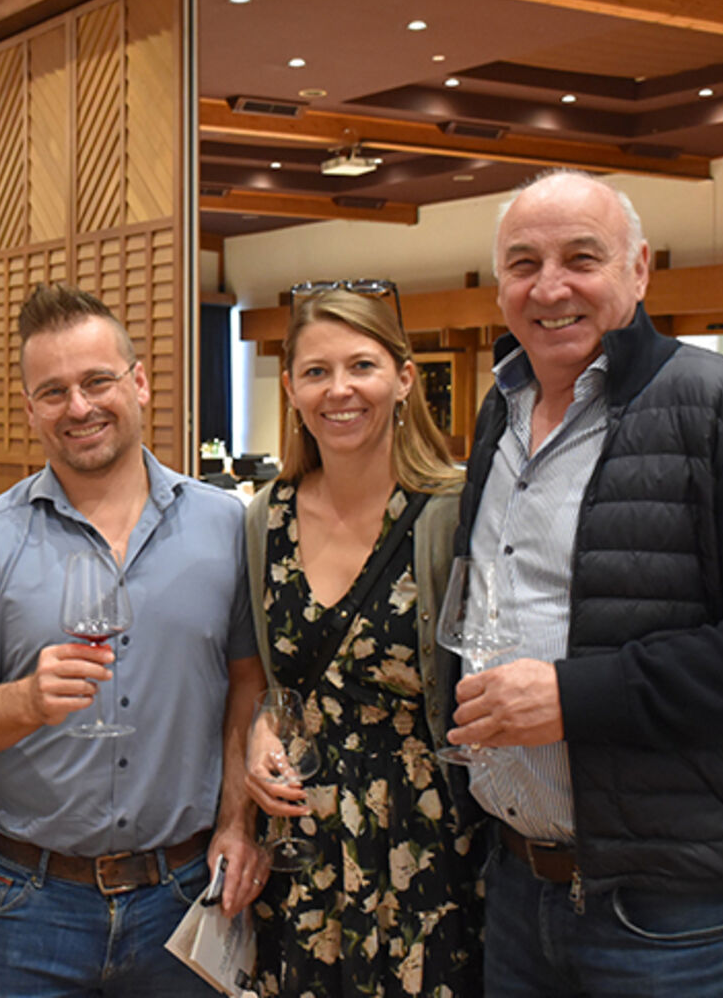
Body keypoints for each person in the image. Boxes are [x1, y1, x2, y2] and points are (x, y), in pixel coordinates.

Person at [448, 169, 723, 997]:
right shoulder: (500, 411)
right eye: (523, 263)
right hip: (520, 878)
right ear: (499, 288)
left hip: (675, 903)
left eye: (581, 258)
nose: (549, 286)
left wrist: (574, 696)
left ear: (638, 272)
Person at [0, 283, 267, 996]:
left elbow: (246, 689)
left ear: (138, 383)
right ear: (29, 409)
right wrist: (25, 701)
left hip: (184, 895)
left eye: (96, 381)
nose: (77, 408)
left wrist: (237, 823)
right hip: (27, 905)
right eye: (52, 391)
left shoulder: (225, 526)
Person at [243, 289, 482, 997]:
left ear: (403, 378)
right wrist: (260, 731)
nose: (338, 390)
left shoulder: (452, 514)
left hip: (427, 841)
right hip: (299, 845)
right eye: (315, 372)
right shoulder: (265, 518)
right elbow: (262, 677)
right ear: (290, 389)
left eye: (361, 366)